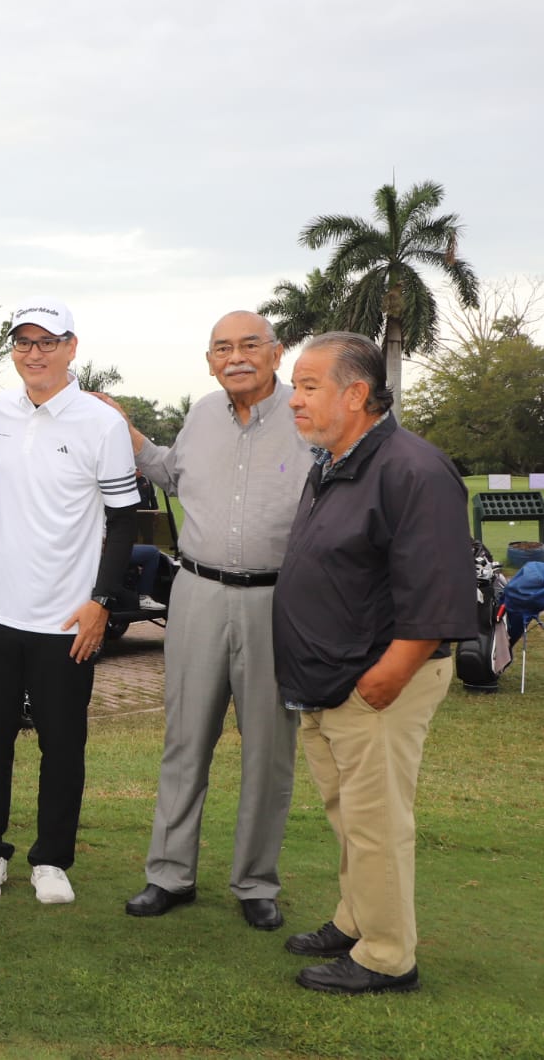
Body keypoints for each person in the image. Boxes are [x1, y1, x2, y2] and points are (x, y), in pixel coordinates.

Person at [274, 332, 471, 995]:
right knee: (349, 815)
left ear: (355, 394)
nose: (294, 400)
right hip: (330, 680)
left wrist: (385, 676)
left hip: (380, 682)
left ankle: (386, 956)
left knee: (376, 822)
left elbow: (437, 589)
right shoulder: (333, 462)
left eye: (308, 387)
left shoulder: (413, 469)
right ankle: (356, 919)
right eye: (295, 387)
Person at [102, 311, 310, 931]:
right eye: (223, 348)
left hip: (276, 600)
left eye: (249, 345)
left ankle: (255, 883)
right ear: (210, 361)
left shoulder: (307, 415)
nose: (235, 357)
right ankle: (169, 875)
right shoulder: (200, 414)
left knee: (268, 751)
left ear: (276, 353)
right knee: (185, 740)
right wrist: (130, 435)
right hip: (196, 593)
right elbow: (170, 473)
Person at [0, 298, 139, 904]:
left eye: (47, 342)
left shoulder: (101, 423)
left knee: (62, 746)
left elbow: (124, 519)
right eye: (23, 342)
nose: (33, 354)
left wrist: (101, 601)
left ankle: (52, 860)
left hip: (67, 619)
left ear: (70, 348)